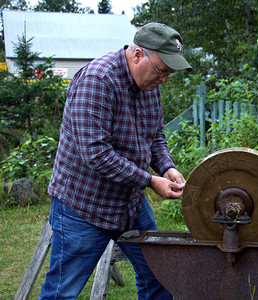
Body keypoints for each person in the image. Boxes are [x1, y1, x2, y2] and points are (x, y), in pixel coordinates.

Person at [38, 22, 192, 300]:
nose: (164, 80)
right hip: (84, 207)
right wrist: (150, 181)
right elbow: (96, 154)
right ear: (137, 56)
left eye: (169, 73)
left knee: (159, 276)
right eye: (162, 70)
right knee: (61, 292)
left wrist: (166, 167)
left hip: (130, 204)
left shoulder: (150, 83)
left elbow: (155, 135)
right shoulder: (97, 81)